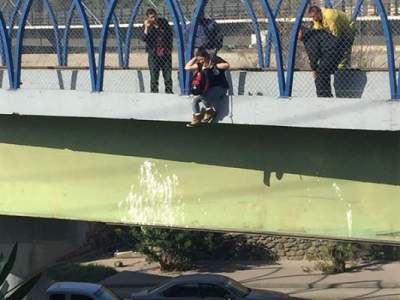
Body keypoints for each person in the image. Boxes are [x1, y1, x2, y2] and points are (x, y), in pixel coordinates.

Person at [185, 48, 230, 127]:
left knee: (203, 96)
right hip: (209, 89)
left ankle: (210, 111)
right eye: (199, 60)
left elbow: (227, 65)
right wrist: (196, 58)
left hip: (220, 87)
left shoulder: (214, 59)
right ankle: (197, 117)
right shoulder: (200, 65)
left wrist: (213, 66)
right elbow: (187, 67)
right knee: (195, 101)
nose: (201, 61)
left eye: (202, 59)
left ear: (206, 57)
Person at [299, 27, 341, 97]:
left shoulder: (308, 36)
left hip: (332, 51)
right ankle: (326, 94)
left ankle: (323, 96)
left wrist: (314, 69)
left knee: (320, 73)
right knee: (323, 72)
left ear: (301, 30)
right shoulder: (311, 33)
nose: (296, 37)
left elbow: (313, 54)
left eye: (298, 32)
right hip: (334, 50)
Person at [142, 8, 173, 93]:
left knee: (167, 75)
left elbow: (170, 34)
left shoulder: (163, 22)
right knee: (154, 76)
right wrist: (146, 28)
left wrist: (169, 48)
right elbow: (144, 38)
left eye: (155, 16)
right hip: (154, 54)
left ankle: (169, 91)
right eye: (151, 17)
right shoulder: (147, 26)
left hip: (165, 53)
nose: (154, 19)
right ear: (148, 18)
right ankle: (154, 92)